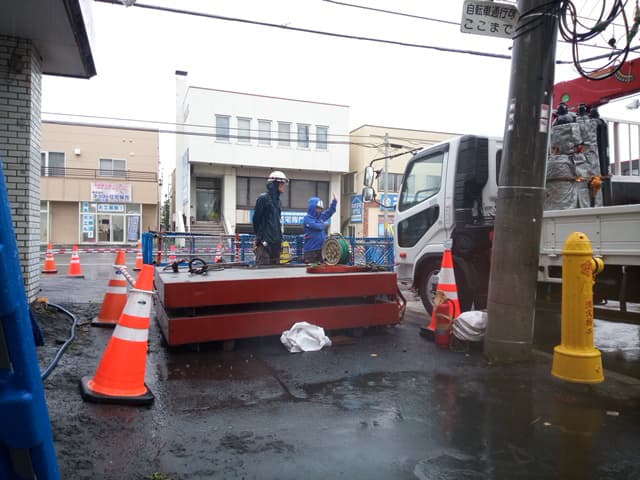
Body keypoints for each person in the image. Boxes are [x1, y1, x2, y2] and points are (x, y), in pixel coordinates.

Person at [252, 170, 288, 265]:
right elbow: (256, 220)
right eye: (282, 183)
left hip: (276, 243)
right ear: (275, 184)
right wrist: (260, 237)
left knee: (276, 271)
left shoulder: (278, 202)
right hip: (265, 243)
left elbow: (278, 221)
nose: (284, 186)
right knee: (263, 271)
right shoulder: (263, 199)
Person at [303, 193, 337, 263]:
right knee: (311, 267)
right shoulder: (307, 219)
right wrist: (322, 224)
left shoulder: (320, 217)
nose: (320, 210)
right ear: (313, 208)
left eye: (321, 209)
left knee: (322, 267)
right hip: (311, 251)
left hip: (322, 250)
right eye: (318, 208)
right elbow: (318, 227)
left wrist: (334, 201)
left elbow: (330, 212)